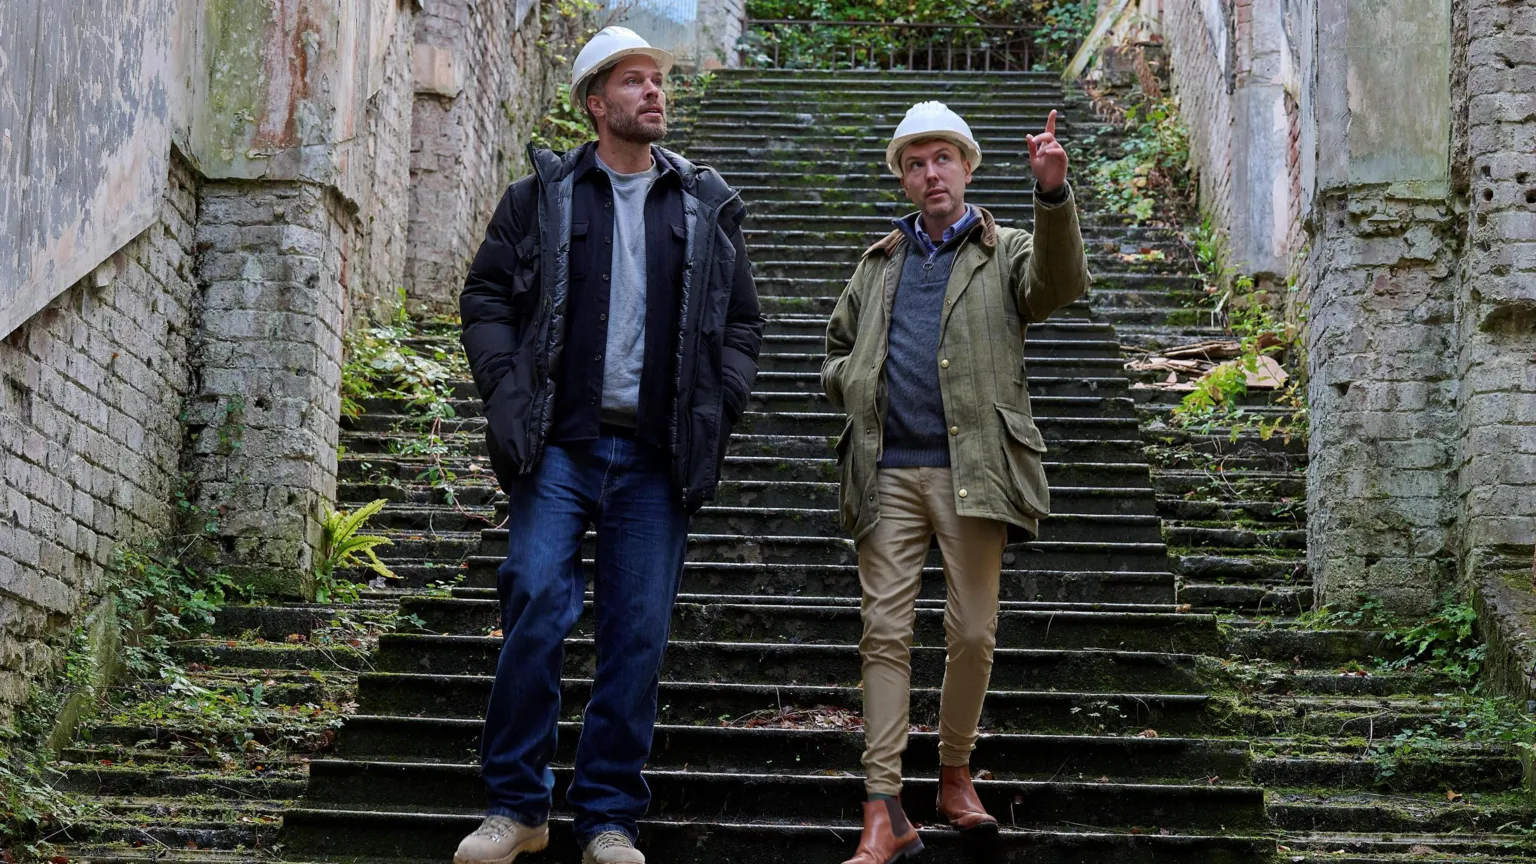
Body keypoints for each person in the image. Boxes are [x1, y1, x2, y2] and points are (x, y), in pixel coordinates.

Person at [454, 25, 763, 864]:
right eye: (634, 82)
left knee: (635, 635)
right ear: (597, 103)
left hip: (657, 455)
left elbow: (742, 323)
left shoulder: (703, 205)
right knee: (534, 598)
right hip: (560, 444)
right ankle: (518, 807)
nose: (654, 93)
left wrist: (720, 403)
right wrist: (506, 393)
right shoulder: (542, 197)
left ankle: (608, 819)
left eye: (658, 81)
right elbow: (484, 296)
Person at [822, 101, 1090, 864]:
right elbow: (834, 351)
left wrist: (1051, 195)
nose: (929, 172)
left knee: (972, 631)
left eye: (942, 158)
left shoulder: (1003, 251)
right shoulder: (877, 264)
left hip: (974, 468)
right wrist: (856, 378)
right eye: (915, 162)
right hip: (886, 473)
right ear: (903, 179)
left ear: (968, 167)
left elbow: (1057, 286)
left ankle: (952, 773)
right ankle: (882, 805)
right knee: (884, 633)